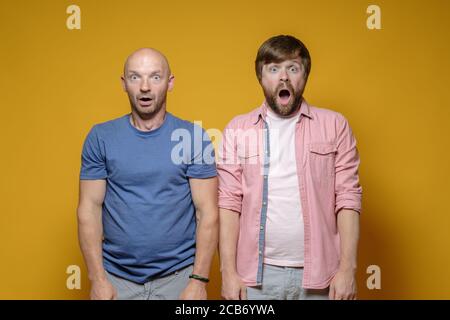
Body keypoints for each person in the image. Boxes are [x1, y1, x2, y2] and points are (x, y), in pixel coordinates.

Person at [218, 35, 362, 300]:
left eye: (292, 68)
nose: (283, 78)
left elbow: (348, 199)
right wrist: (228, 272)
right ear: (261, 77)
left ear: (304, 75)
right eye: (273, 69)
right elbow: (229, 204)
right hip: (255, 277)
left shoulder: (335, 125)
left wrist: (347, 269)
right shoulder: (237, 129)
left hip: (322, 276)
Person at [77, 48, 218, 300]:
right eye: (135, 77)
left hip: (179, 278)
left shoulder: (195, 138)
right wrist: (97, 278)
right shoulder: (100, 137)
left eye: (155, 77)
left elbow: (207, 212)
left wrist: (198, 281)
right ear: (124, 84)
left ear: (170, 82)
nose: (144, 87)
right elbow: (89, 209)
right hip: (116, 279)